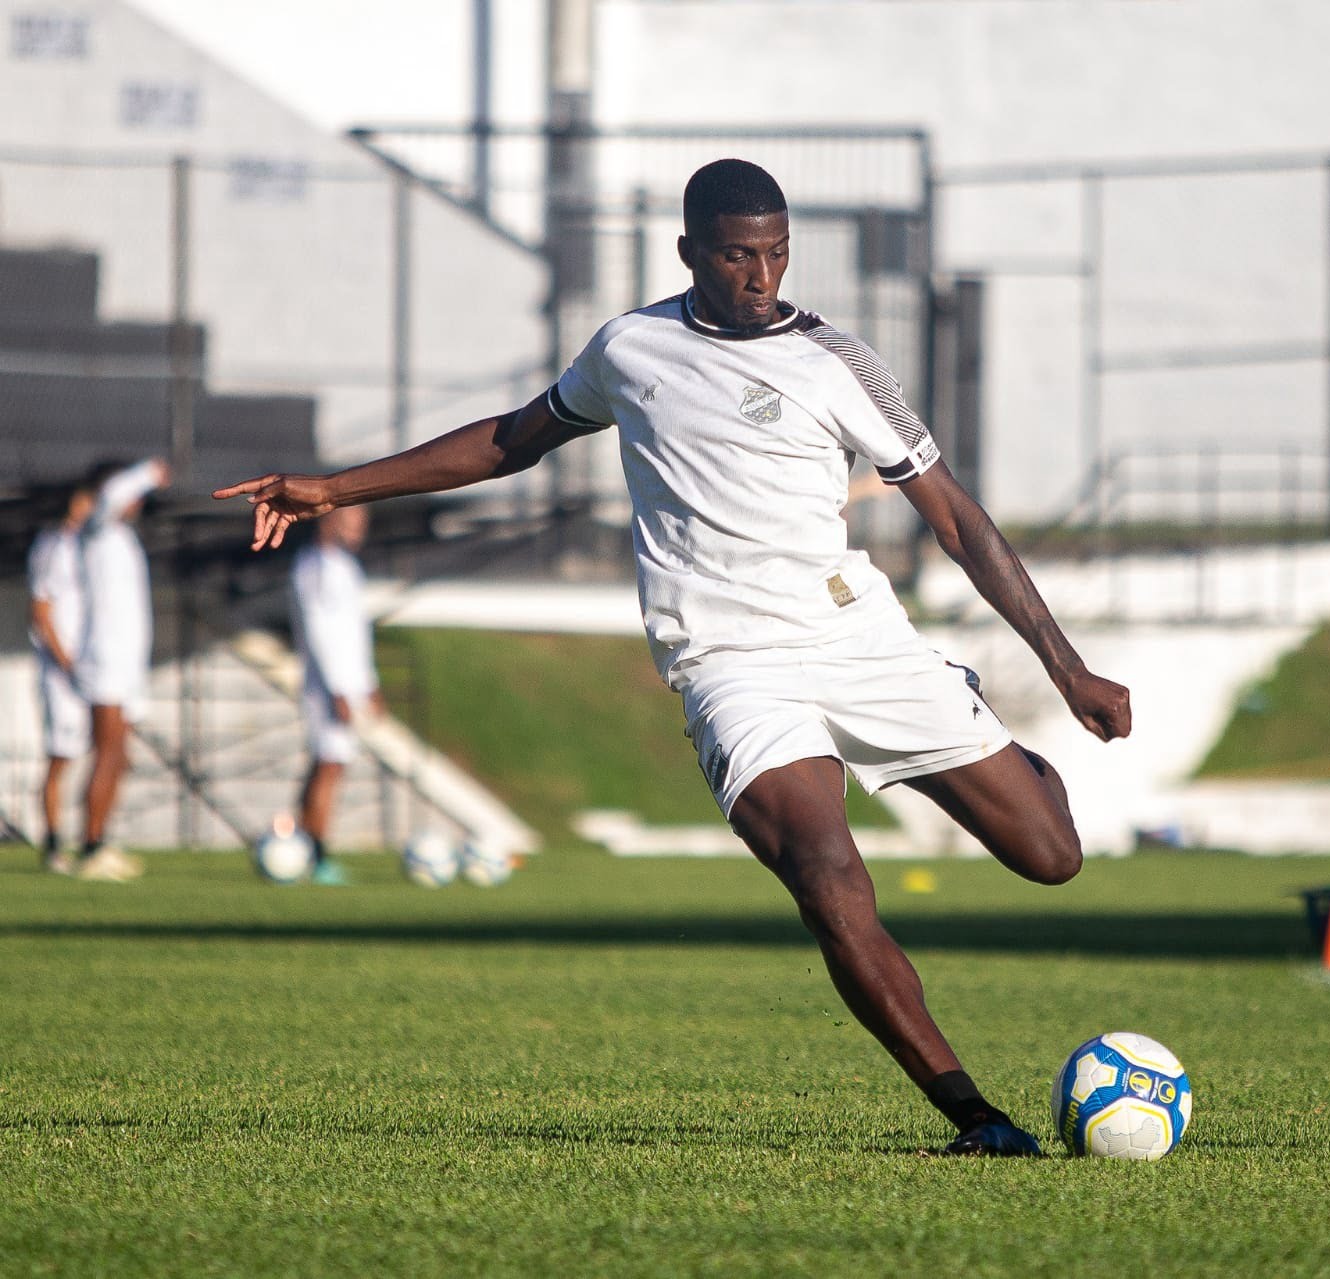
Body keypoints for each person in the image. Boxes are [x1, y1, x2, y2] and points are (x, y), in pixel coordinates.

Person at [215, 159, 1131, 1156]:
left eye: (777, 252)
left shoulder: (836, 362)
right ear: (691, 251)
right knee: (829, 880)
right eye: (740, 254)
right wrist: (334, 489)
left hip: (854, 636)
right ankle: (977, 1119)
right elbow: (509, 441)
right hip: (728, 663)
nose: (762, 275)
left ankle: (1001, 756)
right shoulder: (631, 348)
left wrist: (1062, 666)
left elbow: (953, 515)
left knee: (1051, 858)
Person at [75, 457, 170, 882]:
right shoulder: (98, 529)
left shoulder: (124, 538)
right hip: (107, 659)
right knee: (108, 752)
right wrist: (148, 473)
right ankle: (90, 845)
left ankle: (101, 840)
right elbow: (112, 495)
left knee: (120, 757)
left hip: (128, 663)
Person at [289, 504, 382, 885]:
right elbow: (319, 632)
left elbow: (354, 635)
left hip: (349, 685)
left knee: (331, 764)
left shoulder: (347, 568)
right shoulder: (314, 566)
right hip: (326, 687)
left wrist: (369, 684)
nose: (358, 528)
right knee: (328, 764)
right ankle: (316, 853)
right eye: (351, 519)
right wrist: (338, 689)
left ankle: (302, 844)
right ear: (328, 519)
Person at [27, 472, 97, 873]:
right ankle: (53, 843)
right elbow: (41, 611)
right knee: (60, 757)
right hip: (62, 672)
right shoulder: (55, 546)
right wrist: (67, 661)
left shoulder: (95, 547)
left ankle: (93, 840)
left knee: (104, 752)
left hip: (90, 669)